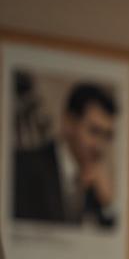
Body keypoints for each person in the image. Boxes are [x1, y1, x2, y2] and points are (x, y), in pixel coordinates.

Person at [13, 82, 118, 229]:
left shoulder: (97, 186)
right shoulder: (25, 165)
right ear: (68, 123)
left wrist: (107, 204)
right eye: (94, 131)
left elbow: (109, 242)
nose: (100, 145)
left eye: (107, 135)